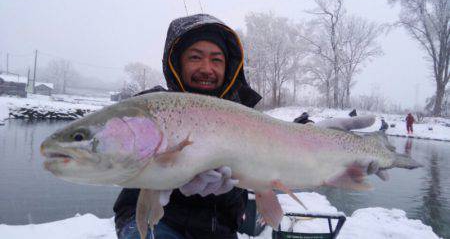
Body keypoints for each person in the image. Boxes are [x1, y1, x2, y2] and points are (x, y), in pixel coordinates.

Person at [113, 13, 375, 239]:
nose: (207, 68)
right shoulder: (155, 111)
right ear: (176, 63)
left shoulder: (243, 113)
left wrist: (315, 135)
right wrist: (165, 181)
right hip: (160, 227)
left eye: (216, 60)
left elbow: (272, 141)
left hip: (222, 231)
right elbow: (127, 176)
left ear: (228, 67)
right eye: (195, 57)